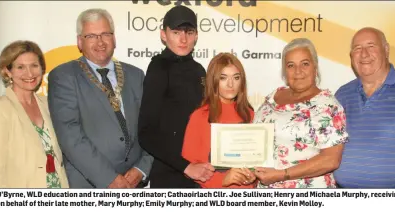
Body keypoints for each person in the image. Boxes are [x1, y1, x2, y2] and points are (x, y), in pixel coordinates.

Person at [48, 8, 153, 188]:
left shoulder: (136, 75)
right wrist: (109, 178)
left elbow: (151, 127)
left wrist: (142, 169)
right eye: (91, 36)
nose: (100, 42)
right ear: (80, 42)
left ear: (114, 38)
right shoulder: (64, 76)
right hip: (90, 184)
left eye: (105, 34)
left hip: (134, 182)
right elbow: (70, 135)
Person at [334, 27, 395, 188]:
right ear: (351, 57)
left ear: (386, 50)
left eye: (371, 46)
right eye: (357, 48)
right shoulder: (342, 94)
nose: (364, 54)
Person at [252, 38, 348, 188]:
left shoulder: (328, 105)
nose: (298, 71)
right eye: (291, 65)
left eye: (305, 64)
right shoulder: (273, 97)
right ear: (284, 71)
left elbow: (331, 159)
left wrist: (282, 174)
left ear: (315, 67)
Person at [0, 40, 69, 188]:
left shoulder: (48, 104)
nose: (29, 73)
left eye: (34, 65)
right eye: (20, 67)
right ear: (7, 71)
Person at [138, 5, 207, 188]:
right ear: (163, 34)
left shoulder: (199, 70)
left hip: (202, 171)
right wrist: (186, 167)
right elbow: (146, 133)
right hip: (170, 174)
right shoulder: (159, 68)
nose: (183, 39)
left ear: (196, 35)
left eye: (189, 32)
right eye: (176, 32)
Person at [181, 53, 256, 188]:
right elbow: (189, 168)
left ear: (242, 81)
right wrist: (221, 181)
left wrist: (253, 176)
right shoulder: (199, 116)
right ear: (213, 81)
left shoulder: (251, 115)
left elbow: (258, 163)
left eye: (236, 77)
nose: (230, 84)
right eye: (223, 78)